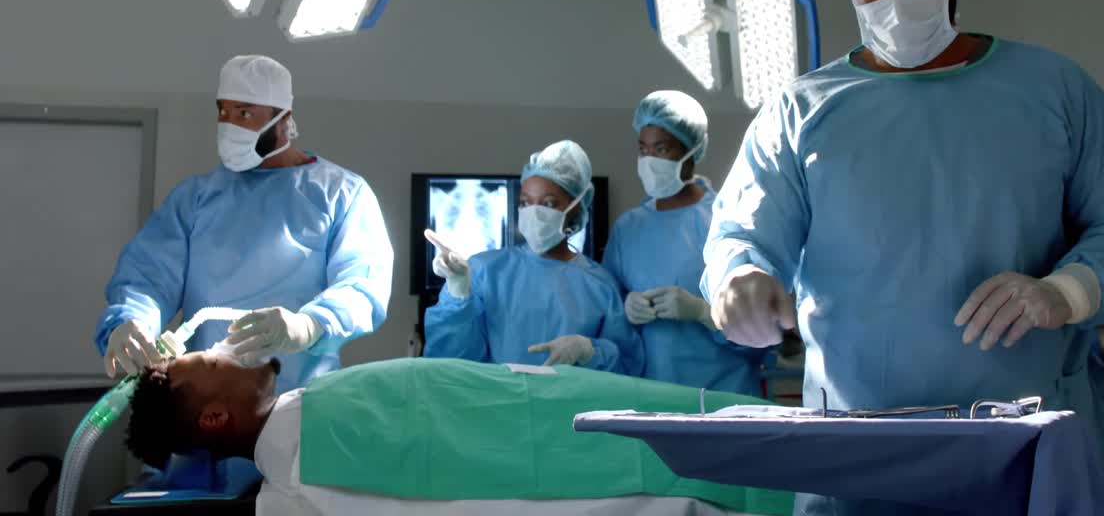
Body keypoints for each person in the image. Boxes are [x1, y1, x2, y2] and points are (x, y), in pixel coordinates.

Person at [700, 0, 1104, 516]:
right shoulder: (801, 111)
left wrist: (1065, 292)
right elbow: (742, 234)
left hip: (1026, 447)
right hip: (860, 456)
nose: (898, 2)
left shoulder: (1053, 89)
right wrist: (741, 277)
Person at [123, 354, 793, 515]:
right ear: (215, 419)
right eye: (208, 362)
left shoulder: (289, 488)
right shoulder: (319, 429)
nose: (226, 349)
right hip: (599, 449)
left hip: (581, 429)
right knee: (750, 457)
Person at [96, 54, 394, 394]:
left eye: (245, 113)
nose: (229, 124)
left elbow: (361, 284)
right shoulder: (196, 198)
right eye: (223, 111)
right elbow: (149, 277)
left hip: (302, 404)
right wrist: (132, 321)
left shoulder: (341, 193)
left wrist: (308, 325)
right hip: (205, 406)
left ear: (284, 119)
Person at [424, 140, 643, 375]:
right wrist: (457, 291)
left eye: (548, 203)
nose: (534, 212)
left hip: (570, 409)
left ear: (577, 208)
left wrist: (590, 351)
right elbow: (449, 361)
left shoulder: (600, 285)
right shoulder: (484, 270)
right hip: (497, 405)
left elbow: (627, 369)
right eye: (525, 202)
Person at [604, 91, 763, 395]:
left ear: (692, 151)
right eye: (643, 149)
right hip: (650, 397)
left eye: (661, 149)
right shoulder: (629, 228)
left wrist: (704, 313)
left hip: (723, 398)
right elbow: (609, 319)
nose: (649, 161)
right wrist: (625, 310)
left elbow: (760, 334)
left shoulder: (727, 221)